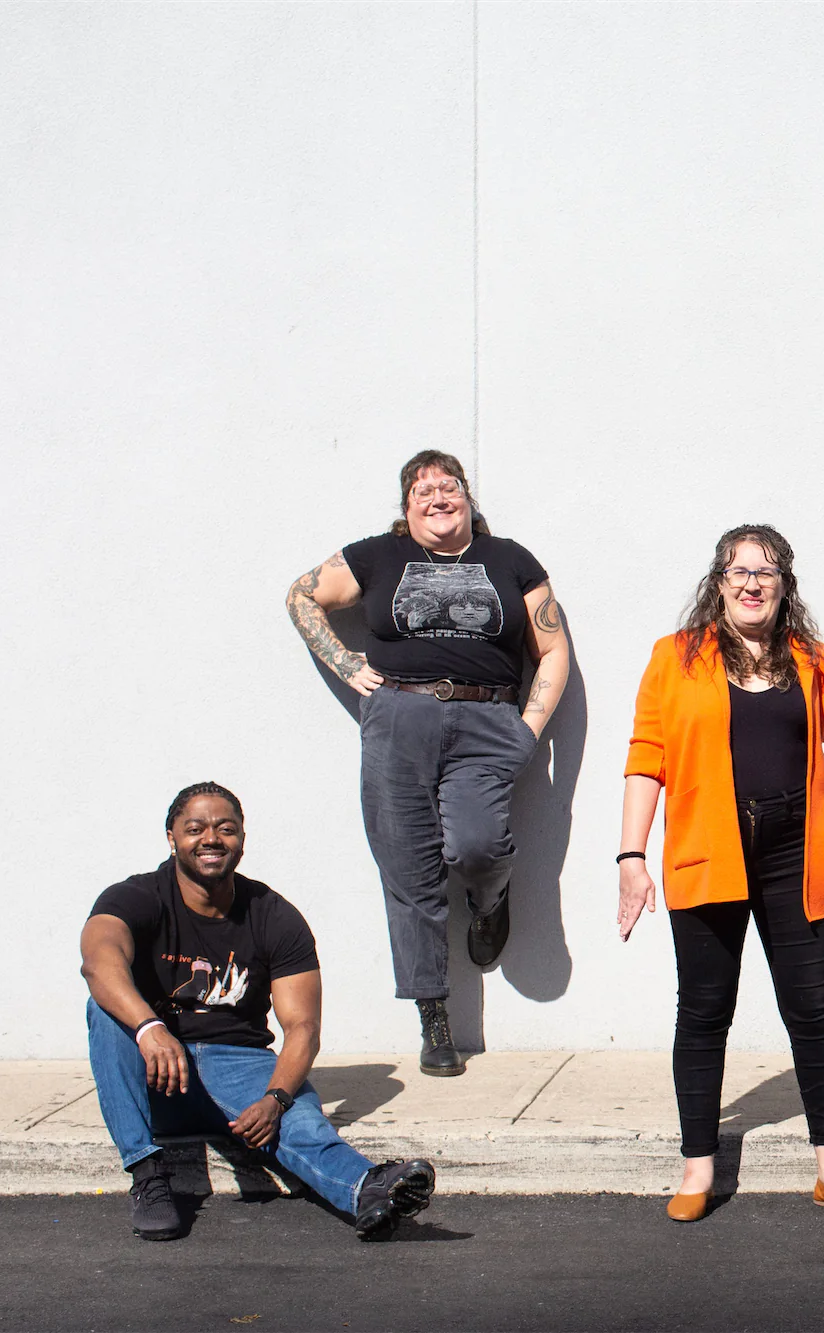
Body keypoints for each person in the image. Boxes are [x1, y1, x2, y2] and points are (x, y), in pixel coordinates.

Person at [616, 524, 824, 1223]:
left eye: (767, 571)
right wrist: (631, 857)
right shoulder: (676, 657)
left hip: (795, 850)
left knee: (812, 1009)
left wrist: (822, 776)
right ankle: (697, 1167)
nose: (752, 582)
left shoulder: (816, 660)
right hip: (708, 845)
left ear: (785, 585)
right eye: (738, 570)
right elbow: (647, 757)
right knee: (704, 1010)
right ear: (718, 581)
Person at [285, 450, 568, 1076]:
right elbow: (302, 596)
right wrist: (345, 662)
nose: (437, 497)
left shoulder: (510, 560)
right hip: (399, 720)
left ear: (468, 497)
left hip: (489, 719)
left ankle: (490, 898)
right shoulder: (376, 557)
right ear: (406, 508)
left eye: (449, 487)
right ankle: (433, 1017)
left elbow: (552, 650)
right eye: (422, 491)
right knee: (409, 870)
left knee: (478, 844)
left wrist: (527, 731)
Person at [80, 782, 437, 1242]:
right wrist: (149, 1026)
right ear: (171, 837)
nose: (211, 838)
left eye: (225, 829)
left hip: (239, 1063)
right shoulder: (136, 897)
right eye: (195, 828)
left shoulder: (273, 915)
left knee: (301, 1118)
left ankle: (368, 1188)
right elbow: (99, 961)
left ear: (242, 839)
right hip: (160, 1074)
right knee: (105, 1011)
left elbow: (303, 1028)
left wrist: (276, 1099)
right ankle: (148, 1175)